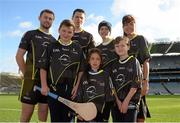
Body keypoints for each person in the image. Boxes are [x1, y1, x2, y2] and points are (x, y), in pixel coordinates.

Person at [39, 19, 85, 122]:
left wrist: (77, 86)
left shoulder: (77, 48)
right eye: (64, 31)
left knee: (68, 119)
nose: (66, 34)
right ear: (59, 30)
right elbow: (43, 67)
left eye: (69, 32)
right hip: (54, 89)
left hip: (70, 91)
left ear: (73, 33)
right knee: (55, 118)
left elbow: (81, 70)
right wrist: (44, 85)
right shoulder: (51, 46)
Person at [15, 9, 55, 122]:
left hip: (46, 83)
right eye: (45, 17)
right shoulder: (30, 34)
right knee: (26, 115)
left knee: (43, 116)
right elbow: (19, 56)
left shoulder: (54, 40)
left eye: (50, 18)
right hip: (30, 82)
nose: (47, 20)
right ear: (39, 18)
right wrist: (27, 75)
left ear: (53, 21)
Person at [122, 14, 151, 122]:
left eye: (131, 24)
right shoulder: (122, 41)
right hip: (123, 84)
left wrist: (145, 82)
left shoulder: (140, 39)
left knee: (139, 116)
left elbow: (146, 61)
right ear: (122, 27)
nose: (129, 27)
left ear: (135, 25)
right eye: (126, 24)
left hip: (137, 83)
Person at [110, 36, 142, 122]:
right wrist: (117, 101)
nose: (119, 48)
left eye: (122, 45)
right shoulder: (113, 64)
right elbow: (112, 86)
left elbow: (135, 84)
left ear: (128, 47)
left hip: (130, 104)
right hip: (117, 105)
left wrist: (125, 102)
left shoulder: (134, 61)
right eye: (117, 46)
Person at [77, 48, 112, 122]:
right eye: (92, 59)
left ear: (101, 61)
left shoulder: (105, 75)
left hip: (100, 114)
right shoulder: (84, 75)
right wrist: (79, 112)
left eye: (97, 59)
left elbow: (109, 98)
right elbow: (79, 96)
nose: (95, 61)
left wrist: (105, 117)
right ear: (89, 61)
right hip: (84, 114)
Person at [70, 8, 95, 101]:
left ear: (84, 20)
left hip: (83, 75)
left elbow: (92, 57)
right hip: (66, 74)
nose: (78, 19)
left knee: (81, 105)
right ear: (72, 18)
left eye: (81, 18)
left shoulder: (89, 36)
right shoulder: (65, 33)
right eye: (76, 17)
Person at [96, 20, 117, 122]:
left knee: (118, 116)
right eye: (101, 29)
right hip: (103, 87)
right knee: (104, 117)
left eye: (106, 29)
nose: (104, 31)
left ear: (110, 31)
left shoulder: (116, 43)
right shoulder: (97, 48)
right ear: (99, 31)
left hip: (117, 85)